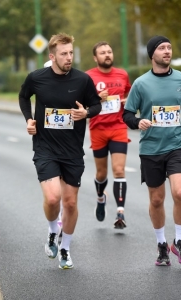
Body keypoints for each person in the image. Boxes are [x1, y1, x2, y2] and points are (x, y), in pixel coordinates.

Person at [19, 33, 101, 269]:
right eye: (64, 54)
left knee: (71, 204)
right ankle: (52, 230)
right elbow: (24, 97)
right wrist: (29, 120)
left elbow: (96, 104)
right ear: (52, 56)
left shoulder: (82, 80)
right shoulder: (37, 78)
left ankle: (65, 249)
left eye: (71, 53)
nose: (68, 58)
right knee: (54, 198)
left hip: (73, 150)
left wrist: (86, 113)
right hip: (45, 147)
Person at [123, 35, 181, 266]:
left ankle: (178, 240)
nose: (167, 51)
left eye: (169, 47)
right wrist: (138, 122)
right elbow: (127, 114)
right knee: (157, 200)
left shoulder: (180, 79)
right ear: (152, 54)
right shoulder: (141, 83)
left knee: (179, 193)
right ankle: (161, 244)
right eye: (161, 48)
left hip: (177, 145)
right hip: (151, 148)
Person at [86, 42, 131, 229]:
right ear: (96, 58)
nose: (107, 55)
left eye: (109, 52)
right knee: (101, 173)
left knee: (119, 170)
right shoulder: (88, 77)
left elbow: (130, 95)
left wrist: (126, 101)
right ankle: (100, 197)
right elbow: (82, 102)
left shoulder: (122, 74)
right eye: (102, 53)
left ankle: (120, 212)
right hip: (98, 129)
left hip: (118, 127)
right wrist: (97, 99)